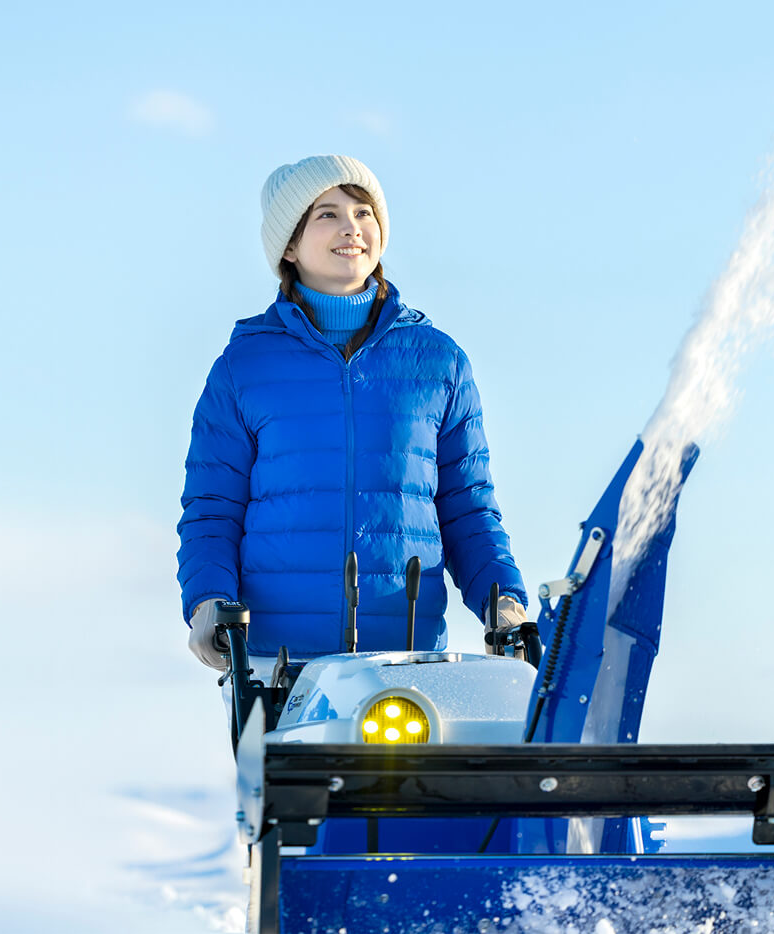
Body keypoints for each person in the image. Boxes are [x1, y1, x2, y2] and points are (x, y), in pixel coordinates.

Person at [177, 154, 527, 675]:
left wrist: (504, 603)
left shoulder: (438, 362)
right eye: (327, 214)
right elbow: (212, 509)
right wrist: (207, 600)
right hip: (278, 668)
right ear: (290, 246)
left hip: (408, 664)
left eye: (364, 213)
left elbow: (468, 509)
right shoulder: (242, 367)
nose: (352, 228)